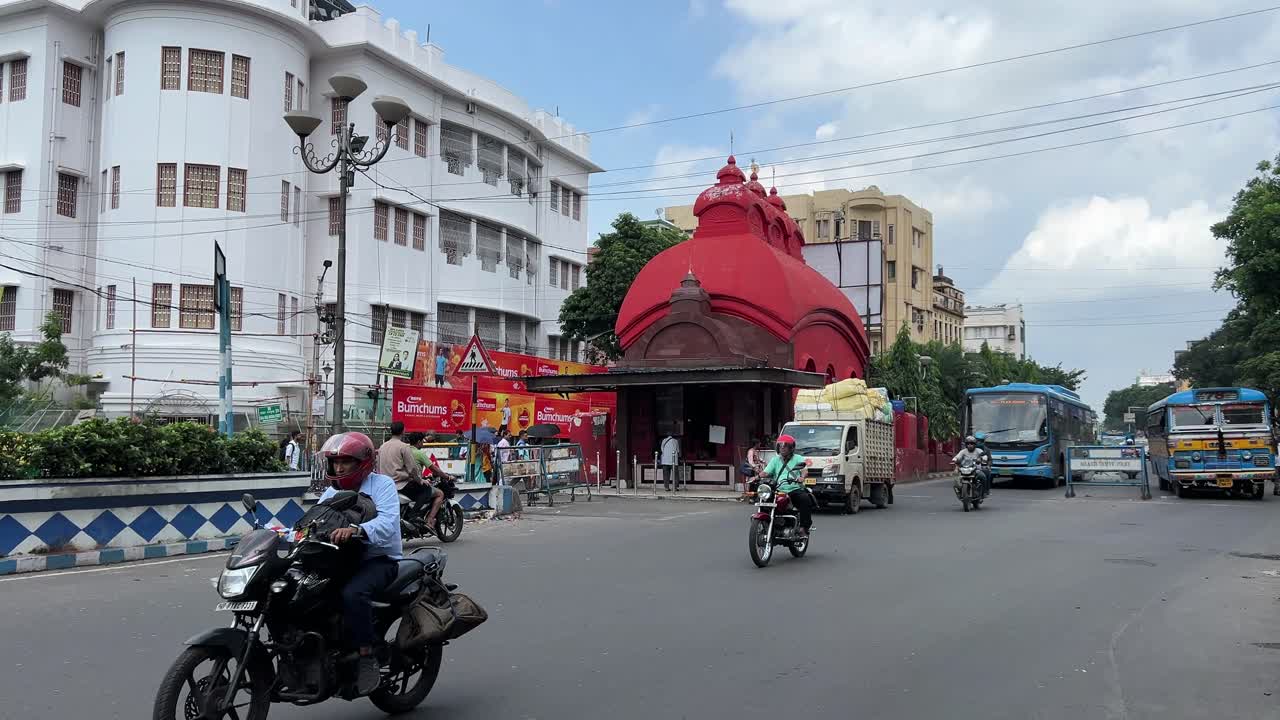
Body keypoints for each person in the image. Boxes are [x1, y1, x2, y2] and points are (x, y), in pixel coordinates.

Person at [316, 432, 402, 696]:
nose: (339, 467)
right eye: (335, 462)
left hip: (379, 559)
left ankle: (367, 654)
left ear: (362, 462)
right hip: (341, 560)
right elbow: (315, 520)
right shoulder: (332, 491)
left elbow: (388, 524)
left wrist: (356, 530)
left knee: (353, 594)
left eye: (346, 462)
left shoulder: (381, 485)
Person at [759, 434, 814, 537]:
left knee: (805, 499)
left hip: (794, 488)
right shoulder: (775, 460)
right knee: (764, 501)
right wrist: (757, 476)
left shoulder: (798, 458)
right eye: (780, 445)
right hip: (778, 489)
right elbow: (766, 472)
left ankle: (804, 527)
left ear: (791, 448)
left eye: (785, 445)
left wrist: (801, 477)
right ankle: (766, 524)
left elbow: (804, 470)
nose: (782, 447)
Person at [406, 433, 451, 529]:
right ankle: (429, 520)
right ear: (418, 442)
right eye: (422, 441)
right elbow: (434, 468)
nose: (423, 443)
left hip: (402, 482)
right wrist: (447, 477)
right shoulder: (419, 453)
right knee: (440, 494)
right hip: (414, 483)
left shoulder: (405, 451)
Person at [377, 421, 422, 490]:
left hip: (384, 485)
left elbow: (378, 468)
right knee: (428, 491)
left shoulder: (382, 447)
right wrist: (420, 480)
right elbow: (412, 469)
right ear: (403, 431)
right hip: (400, 485)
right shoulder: (404, 447)